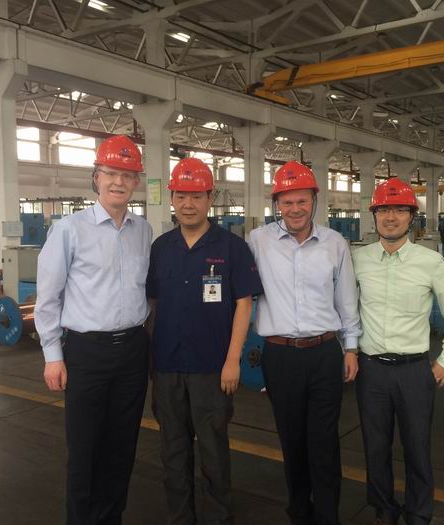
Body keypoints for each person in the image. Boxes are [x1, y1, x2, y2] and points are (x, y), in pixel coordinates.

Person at [34, 135, 152, 525]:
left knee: (122, 447)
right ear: (96, 177)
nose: (119, 182)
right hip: (87, 353)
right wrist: (53, 356)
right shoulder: (69, 229)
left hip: (132, 350)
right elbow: (48, 297)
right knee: (85, 449)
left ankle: (111, 517)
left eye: (127, 175)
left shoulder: (142, 230)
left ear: (136, 182)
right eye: (111, 173)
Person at [146, 157, 263, 525]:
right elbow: (151, 305)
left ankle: (217, 517)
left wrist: (233, 360)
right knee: (172, 452)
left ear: (210, 198)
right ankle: (180, 517)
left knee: (213, 452)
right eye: (181, 196)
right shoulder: (160, 248)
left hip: (212, 368)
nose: (188, 204)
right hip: (167, 367)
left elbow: (244, 304)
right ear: (171, 198)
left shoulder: (232, 247)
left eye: (196, 196)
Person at [248, 161, 361, 525]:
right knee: (292, 440)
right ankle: (299, 511)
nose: (295, 209)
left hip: (325, 353)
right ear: (276, 204)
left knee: (324, 441)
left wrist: (351, 348)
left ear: (314, 201)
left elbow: (346, 299)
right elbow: (242, 294)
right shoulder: (258, 241)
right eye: (287, 202)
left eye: (302, 201)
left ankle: (327, 515)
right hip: (280, 356)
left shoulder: (334, 243)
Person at [352, 177, 444, 525]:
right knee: (375, 446)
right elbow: (342, 308)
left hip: (414, 371)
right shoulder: (358, 259)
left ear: (411, 217)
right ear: (374, 216)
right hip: (371, 369)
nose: (391, 218)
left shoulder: (429, 261)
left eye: (399, 210)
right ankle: (384, 510)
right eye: (383, 210)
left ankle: (418, 513)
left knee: (417, 447)